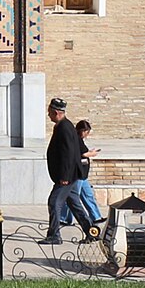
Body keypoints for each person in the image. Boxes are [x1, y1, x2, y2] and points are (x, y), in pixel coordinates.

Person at [41, 98, 98, 245]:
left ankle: (54, 235)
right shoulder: (65, 126)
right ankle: (91, 231)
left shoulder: (65, 128)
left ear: (56, 112)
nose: (48, 115)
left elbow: (68, 154)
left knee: (54, 202)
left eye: (50, 113)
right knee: (75, 205)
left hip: (67, 176)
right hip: (71, 175)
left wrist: (65, 177)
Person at [75, 120, 102, 225]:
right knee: (73, 198)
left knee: (88, 195)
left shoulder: (80, 140)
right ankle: (64, 218)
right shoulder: (76, 139)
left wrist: (90, 152)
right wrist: (92, 154)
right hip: (78, 174)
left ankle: (96, 216)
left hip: (83, 175)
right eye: (86, 132)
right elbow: (82, 154)